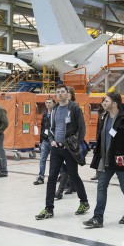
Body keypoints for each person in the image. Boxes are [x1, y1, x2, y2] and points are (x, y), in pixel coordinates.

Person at [35, 84, 90, 220]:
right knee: (52, 177)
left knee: (73, 175)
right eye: (57, 92)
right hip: (56, 148)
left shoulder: (74, 108)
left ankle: (84, 202)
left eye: (62, 92)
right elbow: (51, 128)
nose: (60, 94)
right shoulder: (54, 109)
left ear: (67, 93)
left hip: (69, 149)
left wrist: (74, 144)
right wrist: (51, 140)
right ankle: (49, 208)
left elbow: (81, 129)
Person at [84, 92, 124, 228]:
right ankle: (97, 218)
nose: (103, 103)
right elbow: (101, 137)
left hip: (120, 159)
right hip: (105, 160)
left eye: (106, 101)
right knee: (101, 187)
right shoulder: (103, 117)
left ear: (114, 103)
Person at [34, 97, 55, 185]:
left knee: (55, 161)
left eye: (49, 102)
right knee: (42, 159)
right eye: (46, 103)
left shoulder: (56, 114)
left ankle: (61, 175)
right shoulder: (45, 114)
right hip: (45, 141)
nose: (48, 104)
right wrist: (41, 140)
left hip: (53, 141)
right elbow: (42, 127)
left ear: (53, 103)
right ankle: (41, 177)